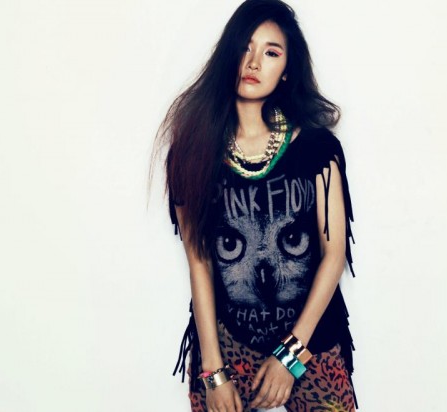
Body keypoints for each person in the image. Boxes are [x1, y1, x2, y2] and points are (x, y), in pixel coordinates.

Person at [151, 0, 357, 410]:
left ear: (287, 70)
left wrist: (290, 357)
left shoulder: (318, 150)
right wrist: (213, 371)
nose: (254, 62)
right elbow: (199, 261)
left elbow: (333, 255)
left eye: (271, 52)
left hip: (310, 339)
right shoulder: (192, 153)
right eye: (245, 47)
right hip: (228, 342)